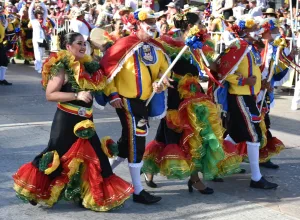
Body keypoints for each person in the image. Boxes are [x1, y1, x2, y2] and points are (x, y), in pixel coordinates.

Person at [12, 32, 134, 211]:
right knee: (57, 156)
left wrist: (114, 94)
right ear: (68, 47)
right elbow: (50, 94)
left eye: (84, 43)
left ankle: (93, 195)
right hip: (67, 121)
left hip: (86, 121)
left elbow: (108, 80)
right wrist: (76, 95)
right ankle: (37, 190)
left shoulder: (90, 66)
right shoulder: (62, 66)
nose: (83, 46)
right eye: (79, 43)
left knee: (97, 157)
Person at [142, 12, 242, 192]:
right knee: (172, 133)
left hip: (194, 93)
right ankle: (151, 169)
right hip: (175, 93)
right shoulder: (169, 40)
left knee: (198, 133)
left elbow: (211, 66)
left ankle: (194, 177)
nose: (204, 26)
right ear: (189, 25)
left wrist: (227, 55)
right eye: (200, 23)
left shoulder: (199, 42)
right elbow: (160, 66)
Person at [99, 8, 171, 204]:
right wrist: (112, 93)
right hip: (126, 100)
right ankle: (138, 191)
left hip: (145, 102)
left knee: (128, 141)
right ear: (137, 24)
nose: (153, 24)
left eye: (154, 20)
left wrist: (160, 82)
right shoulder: (122, 45)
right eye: (148, 21)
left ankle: (102, 174)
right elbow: (108, 71)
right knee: (138, 139)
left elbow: (165, 72)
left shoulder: (157, 47)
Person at [222, 17, 278, 189]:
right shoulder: (236, 47)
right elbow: (223, 71)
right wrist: (244, 82)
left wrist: (263, 83)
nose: (258, 31)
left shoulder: (249, 48)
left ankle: (215, 165)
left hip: (249, 97)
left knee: (236, 135)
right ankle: (256, 177)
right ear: (245, 31)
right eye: (254, 28)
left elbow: (254, 72)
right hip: (239, 96)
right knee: (254, 135)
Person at [28, 0, 48, 74]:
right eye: (38, 13)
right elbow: (30, 11)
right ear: (36, 14)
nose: (40, 15)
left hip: (43, 39)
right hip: (36, 39)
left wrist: (41, 3)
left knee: (42, 53)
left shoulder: (44, 20)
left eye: (41, 14)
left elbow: (45, 11)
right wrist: (33, 2)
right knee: (38, 53)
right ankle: (40, 68)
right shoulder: (33, 20)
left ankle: (37, 65)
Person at [0, 16, 11, 85]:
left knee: (4, 61)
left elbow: (4, 28)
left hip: (1, 44)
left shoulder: (2, 21)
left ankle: (2, 79)